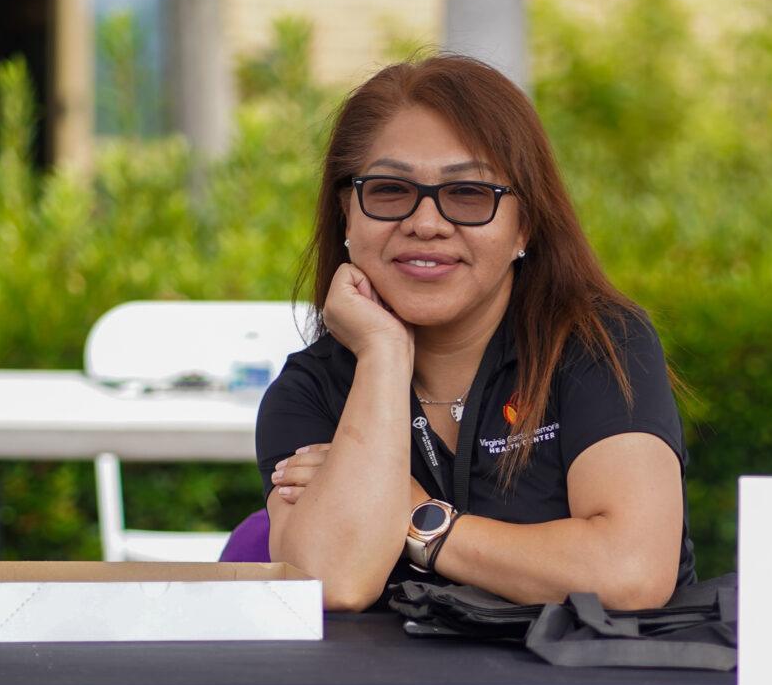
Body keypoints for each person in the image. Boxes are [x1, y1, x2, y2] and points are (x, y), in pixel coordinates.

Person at [257, 54, 690, 612]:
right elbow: (333, 582)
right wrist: (384, 354)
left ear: (525, 225)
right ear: (348, 215)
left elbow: (630, 572)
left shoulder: (600, 344)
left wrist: (418, 520)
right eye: (389, 190)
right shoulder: (310, 390)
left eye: (469, 194)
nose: (427, 223)